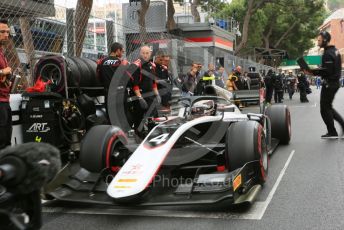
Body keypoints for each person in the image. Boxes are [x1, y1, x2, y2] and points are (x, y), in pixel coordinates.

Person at [306, 31, 344, 138]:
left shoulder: (328, 54)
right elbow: (328, 69)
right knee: (328, 107)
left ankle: (333, 132)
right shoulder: (335, 51)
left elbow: (326, 71)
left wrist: (312, 72)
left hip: (329, 84)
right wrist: (314, 71)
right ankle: (334, 130)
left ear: (325, 40)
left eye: (319, 40)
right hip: (333, 83)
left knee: (325, 109)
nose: (318, 42)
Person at [127, 46, 161, 136]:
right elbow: (135, 85)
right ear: (140, 53)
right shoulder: (136, 65)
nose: (145, 55)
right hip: (139, 95)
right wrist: (140, 98)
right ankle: (138, 135)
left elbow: (153, 82)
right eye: (143, 53)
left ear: (150, 54)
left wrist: (157, 94)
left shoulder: (152, 65)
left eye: (147, 53)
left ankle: (151, 134)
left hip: (150, 95)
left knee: (152, 116)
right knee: (138, 117)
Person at [0, 19, 12, 149]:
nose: (6, 35)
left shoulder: (2, 53)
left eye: (7, 32)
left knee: (6, 141)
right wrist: (3, 71)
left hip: (5, 101)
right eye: (2, 32)